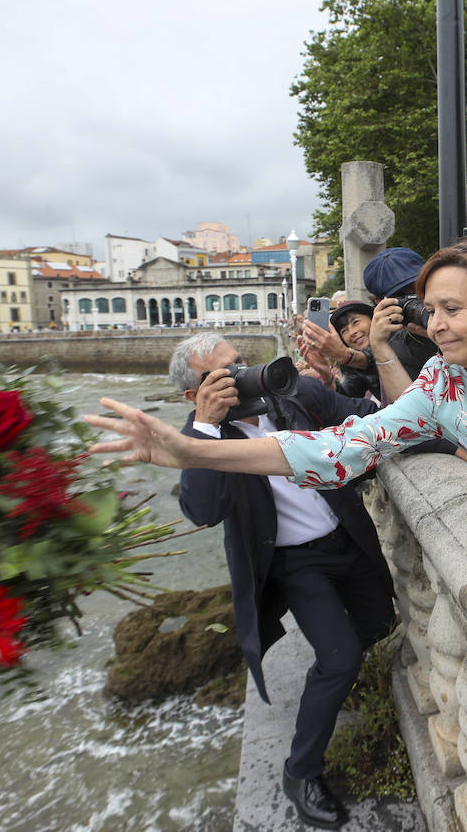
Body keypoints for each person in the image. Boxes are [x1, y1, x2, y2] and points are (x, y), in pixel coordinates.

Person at [89, 238, 467, 625]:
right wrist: (192, 448)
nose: (435, 325)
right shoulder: (443, 384)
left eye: (452, 308)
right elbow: (341, 446)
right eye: (429, 311)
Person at [169, 334, 394, 829]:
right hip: (294, 563)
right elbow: (201, 510)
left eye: (239, 364)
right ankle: (301, 770)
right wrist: (206, 424)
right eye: (221, 375)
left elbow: (367, 412)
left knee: (382, 620)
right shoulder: (200, 435)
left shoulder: (290, 395)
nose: (239, 376)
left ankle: (336, 679)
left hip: (346, 536)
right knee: (339, 658)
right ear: (194, 394)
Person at [362, 247, 440, 382]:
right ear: (380, 302)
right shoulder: (393, 347)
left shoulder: (460, 315)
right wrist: (378, 345)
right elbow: (410, 401)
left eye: (419, 289)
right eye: (402, 297)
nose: (416, 301)